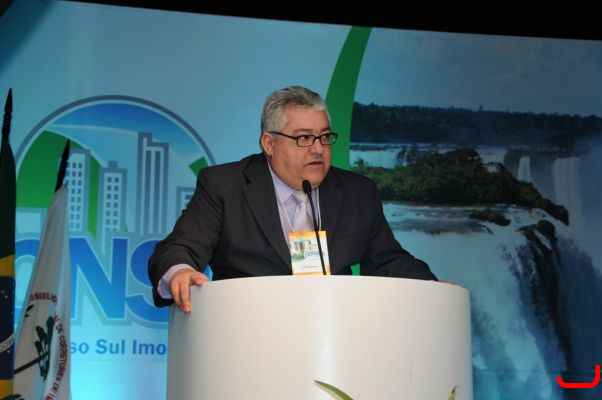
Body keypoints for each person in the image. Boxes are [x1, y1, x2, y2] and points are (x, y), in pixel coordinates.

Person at [148, 85, 436, 312]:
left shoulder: (357, 193)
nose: (318, 149)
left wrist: (435, 290)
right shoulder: (225, 186)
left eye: (324, 137)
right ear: (269, 143)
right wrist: (180, 272)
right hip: (245, 335)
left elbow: (388, 261)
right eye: (303, 138)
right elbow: (180, 248)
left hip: (333, 339)